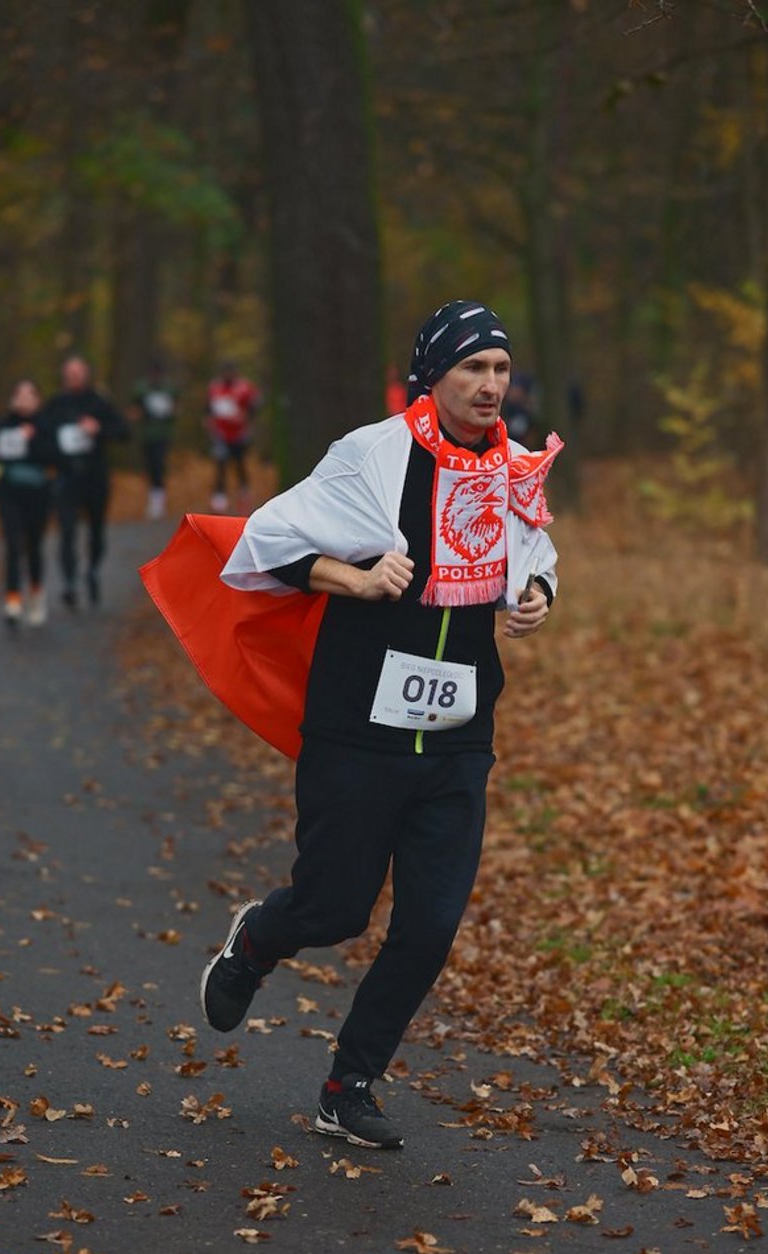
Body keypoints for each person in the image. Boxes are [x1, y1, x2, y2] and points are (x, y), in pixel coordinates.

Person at [196, 300, 562, 1150]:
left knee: (431, 924)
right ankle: (256, 939)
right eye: (474, 367)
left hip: (459, 733)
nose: (491, 384)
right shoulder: (372, 454)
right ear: (432, 373)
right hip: (359, 728)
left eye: (502, 369)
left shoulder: (513, 467)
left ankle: (348, 1083)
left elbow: (535, 552)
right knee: (334, 908)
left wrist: (540, 595)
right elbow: (266, 539)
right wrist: (348, 577)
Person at [40, 356, 129, 608]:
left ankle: (92, 570)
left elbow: (123, 431)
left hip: (95, 478)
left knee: (96, 529)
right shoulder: (56, 405)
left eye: (79, 372)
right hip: (66, 478)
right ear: (64, 376)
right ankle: (69, 581)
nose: (74, 377)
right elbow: (41, 435)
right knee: (66, 530)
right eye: (70, 373)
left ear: (86, 374)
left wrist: (98, 428)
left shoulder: (99, 403)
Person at [0, 378, 53, 629]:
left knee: (33, 545)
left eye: (29, 395)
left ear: (37, 399)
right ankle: (12, 600)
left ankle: (36, 594)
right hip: (9, 494)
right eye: (19, 395)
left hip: (38, 495)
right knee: (13, 544)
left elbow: (53, 455)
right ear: (13, 399)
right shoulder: (4, 424)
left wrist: (29, 441)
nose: (23, 400)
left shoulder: (46, 424)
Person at [205, 361, 262, 513]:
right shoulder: (215, 387)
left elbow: (255, 404)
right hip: (221, 434)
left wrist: (246, 416)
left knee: (239, 465)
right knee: (220, 465)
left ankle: (244, 496)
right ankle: (219, 501)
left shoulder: (244, 387)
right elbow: (208, 407)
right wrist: (208, 420)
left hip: (239, 434)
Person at [130, 360, 178, 520]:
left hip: (162, 433)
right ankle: (153, 496)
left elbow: (176, 408)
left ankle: (158, 499)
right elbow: (134, 409)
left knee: (159, 464)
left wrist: (168, 411)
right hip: (147, 433)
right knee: (150, 465)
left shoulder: (169, 388)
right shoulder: (142, 388)